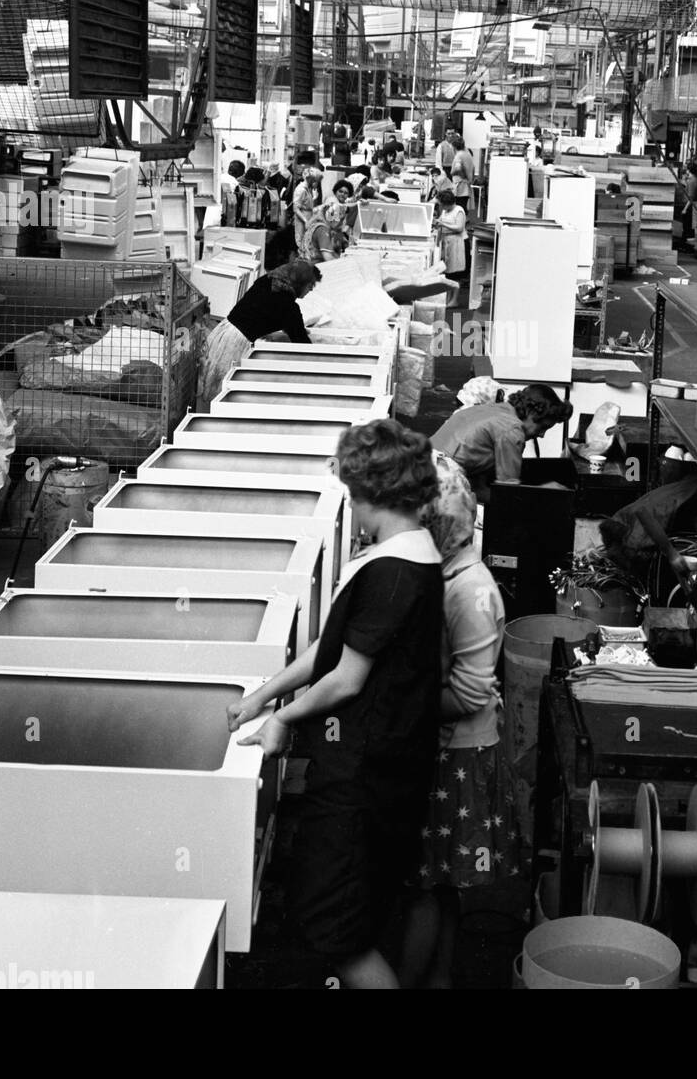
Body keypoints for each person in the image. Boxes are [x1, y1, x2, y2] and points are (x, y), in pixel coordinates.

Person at [227, 420, 444, 989]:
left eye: (353, 490)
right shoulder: (408, 555)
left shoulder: (395, 571)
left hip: (365, 777)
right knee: (350, 919)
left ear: (371, 491)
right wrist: (265, 694)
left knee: (339, 931)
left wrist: (282, 718)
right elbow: (333, 644)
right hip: (375, 766)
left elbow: (347, 678)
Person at [399, 452, 517, 989]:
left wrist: (403, 703)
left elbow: (470, 693)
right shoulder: (451, 574)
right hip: (455, 750)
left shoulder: (469, 591)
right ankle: (440, 979)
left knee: (423, 886)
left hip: (457, 758)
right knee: (441, 883)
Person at [198, 258, 320, 408]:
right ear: (300, 282)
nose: (311, 290)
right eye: (310, 285)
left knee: (210, 387)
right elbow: (302, 344)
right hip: (234, 345)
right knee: (221, 397)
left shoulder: (268, 281)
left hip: (224, 332)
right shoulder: (287, 304)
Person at [430, 384, 572, 504]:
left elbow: (481, 488)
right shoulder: (512, 430)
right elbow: (508, 492)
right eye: (542, 427)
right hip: (443, 477)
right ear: (530, 412)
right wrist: (545, 492)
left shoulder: (493, 409)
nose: (541, 435)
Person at [435, 190, 468, 304]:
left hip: (457, 242)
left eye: (441, 204)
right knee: (448, 272)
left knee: (456, 273)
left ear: (446, 203)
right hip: (447, 241)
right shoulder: (445, 211)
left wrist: (443, 223)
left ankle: (454, 299)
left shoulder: (459, 210)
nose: (440, 206)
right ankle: (448, 299)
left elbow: (459, 228)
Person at [291, 167, 322, 248]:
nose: (316, 183)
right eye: (315, 181)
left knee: (308, 241)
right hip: (302, 219)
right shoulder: (301, 190)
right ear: (311, 179)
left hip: (309, 217)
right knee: (301, 242)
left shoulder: (309, 189)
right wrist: (305, 220)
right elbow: (296, 209)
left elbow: (308, 203)